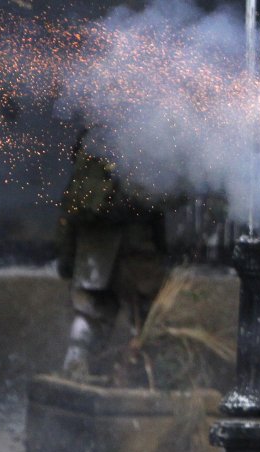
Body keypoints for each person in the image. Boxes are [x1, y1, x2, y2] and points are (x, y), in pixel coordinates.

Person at [55, 127, 173, 380]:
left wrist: (67, 257)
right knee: (143, 313)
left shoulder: (95, 136)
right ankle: (145, 376)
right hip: (130, 240)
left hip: (100, 240)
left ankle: (80, 367)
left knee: (93, 310)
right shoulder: (138, 132)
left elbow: (74, 209)